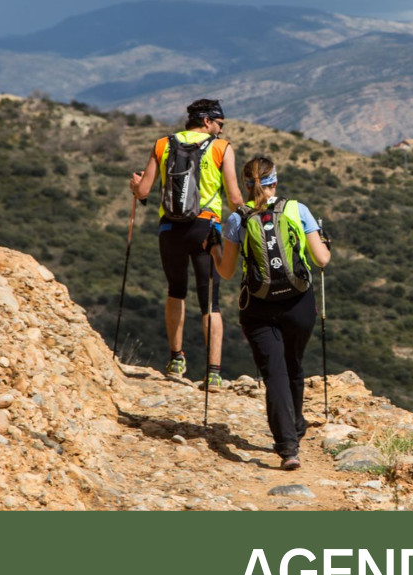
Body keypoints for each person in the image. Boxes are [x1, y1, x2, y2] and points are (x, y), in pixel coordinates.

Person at [212, 156, 331, 470]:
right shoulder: (297, 209)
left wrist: (213, 249)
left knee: (274, 374)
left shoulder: (238, 219)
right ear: (274, 181)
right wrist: (325, 242)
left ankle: (288, 446)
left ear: (247, 185)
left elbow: (225, 272)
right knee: (293, 365)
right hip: (299, 305)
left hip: (258, 308)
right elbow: (321, 260)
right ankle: (297, 424)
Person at [129, 99, 244, 388]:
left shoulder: (162, 144)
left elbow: (143, 190)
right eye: (219, 124)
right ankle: (214, 372)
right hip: (206, 228)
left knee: (175, 292)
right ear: (206, 121)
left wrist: (135, 185)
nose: (220, 129)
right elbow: (234, 198)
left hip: (170, 228)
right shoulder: (222, 148)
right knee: (210, 301)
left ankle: (176, 359)